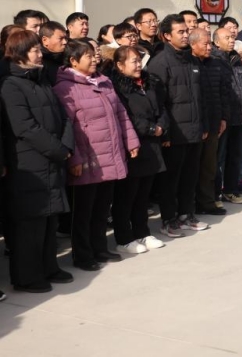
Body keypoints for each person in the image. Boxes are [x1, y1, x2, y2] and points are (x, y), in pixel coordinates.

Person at [54, 40, 140, 269]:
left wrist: (130, 140)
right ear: (73, 61)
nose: (95, 59)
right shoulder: (65, 88)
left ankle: (100, 248)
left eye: (95, 55)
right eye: (88, 56)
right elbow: (67, 128)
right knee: (83, 211)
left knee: (102, 207)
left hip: (109, 154)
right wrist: (74, 158)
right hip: (87, 159)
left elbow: (120, 114)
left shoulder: (104, 81)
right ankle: (83, 255)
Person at [1, 31, 75, 293]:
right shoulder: (10, 85)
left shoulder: (41, 81)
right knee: (29, 223)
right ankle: (27, 277)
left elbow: (63, 116)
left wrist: (66, 145)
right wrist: (57, 149)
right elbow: (25, 128)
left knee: (49, 220)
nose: (39, 53)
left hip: (52, 158)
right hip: (29, 161)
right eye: (33, 49)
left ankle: (49, 267)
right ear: (20, 53)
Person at [147, 15, 209, 238]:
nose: (186, 35)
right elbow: (157, 103)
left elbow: (199, 97)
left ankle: (186, 214)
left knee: (190, 177)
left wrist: (203, 125)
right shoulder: (160, 63)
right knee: (170, 181)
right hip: (173, 134)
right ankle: (169, 219)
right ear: (166, 36)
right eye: (180, 32)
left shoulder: (192, 60)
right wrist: (166, 133)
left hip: (194, 130)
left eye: (186, 31)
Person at [110, 46, 167, 253]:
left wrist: (161, 125)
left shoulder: (148, 82)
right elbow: (125, 117)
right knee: (127, 196)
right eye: (132, 61)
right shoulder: (117, 87)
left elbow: (161, 108)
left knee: (143, 194)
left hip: (152, 145)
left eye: (138, 60)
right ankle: (124, 238)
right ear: (119, 65)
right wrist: (151, 128)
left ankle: (142, 232)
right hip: (132, 145)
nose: (138, 64)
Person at [212, 28, 242, 202]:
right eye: (226, 37)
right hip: (223, 118)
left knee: (235, 155)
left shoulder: (237, 60)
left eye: (232, 37)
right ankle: (215, 193)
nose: (231, 40)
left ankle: (231, 189)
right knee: (217, 158)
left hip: (240, 115)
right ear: (216, 42)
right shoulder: (213, 60)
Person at [192, 29, 230, 216]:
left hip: (214, 122)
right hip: (193, 125)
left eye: (210, 44)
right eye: (205, 44)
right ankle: (187, 204)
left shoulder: (217, 64)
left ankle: (207, 202)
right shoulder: (187, 64)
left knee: (209, 166)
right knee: (191, 168)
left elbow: (223, 93)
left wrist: (223, 117)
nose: (209, 47)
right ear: (193, 44)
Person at [39, 21, 68, 86]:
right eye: (60, 39)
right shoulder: (40, 64)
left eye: (65, 38)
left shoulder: (67, 59)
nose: (65, 42)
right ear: (45, 40)